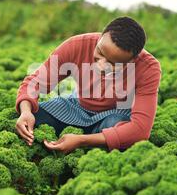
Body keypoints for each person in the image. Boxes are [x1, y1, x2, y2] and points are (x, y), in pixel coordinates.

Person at [15, 16, 162, 154]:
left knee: (121, 131)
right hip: (76, 107)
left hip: (114, 115)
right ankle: (95, 139)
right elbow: (34, 83)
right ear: (101, 36)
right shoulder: (76, 45)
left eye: (112, 63)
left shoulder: (148, 68)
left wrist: (81, 140)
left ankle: (94, 140)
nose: (101, 65)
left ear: (132, 60)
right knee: (32, 117)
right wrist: (26, 111)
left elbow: (140, 130)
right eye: (100, 51)